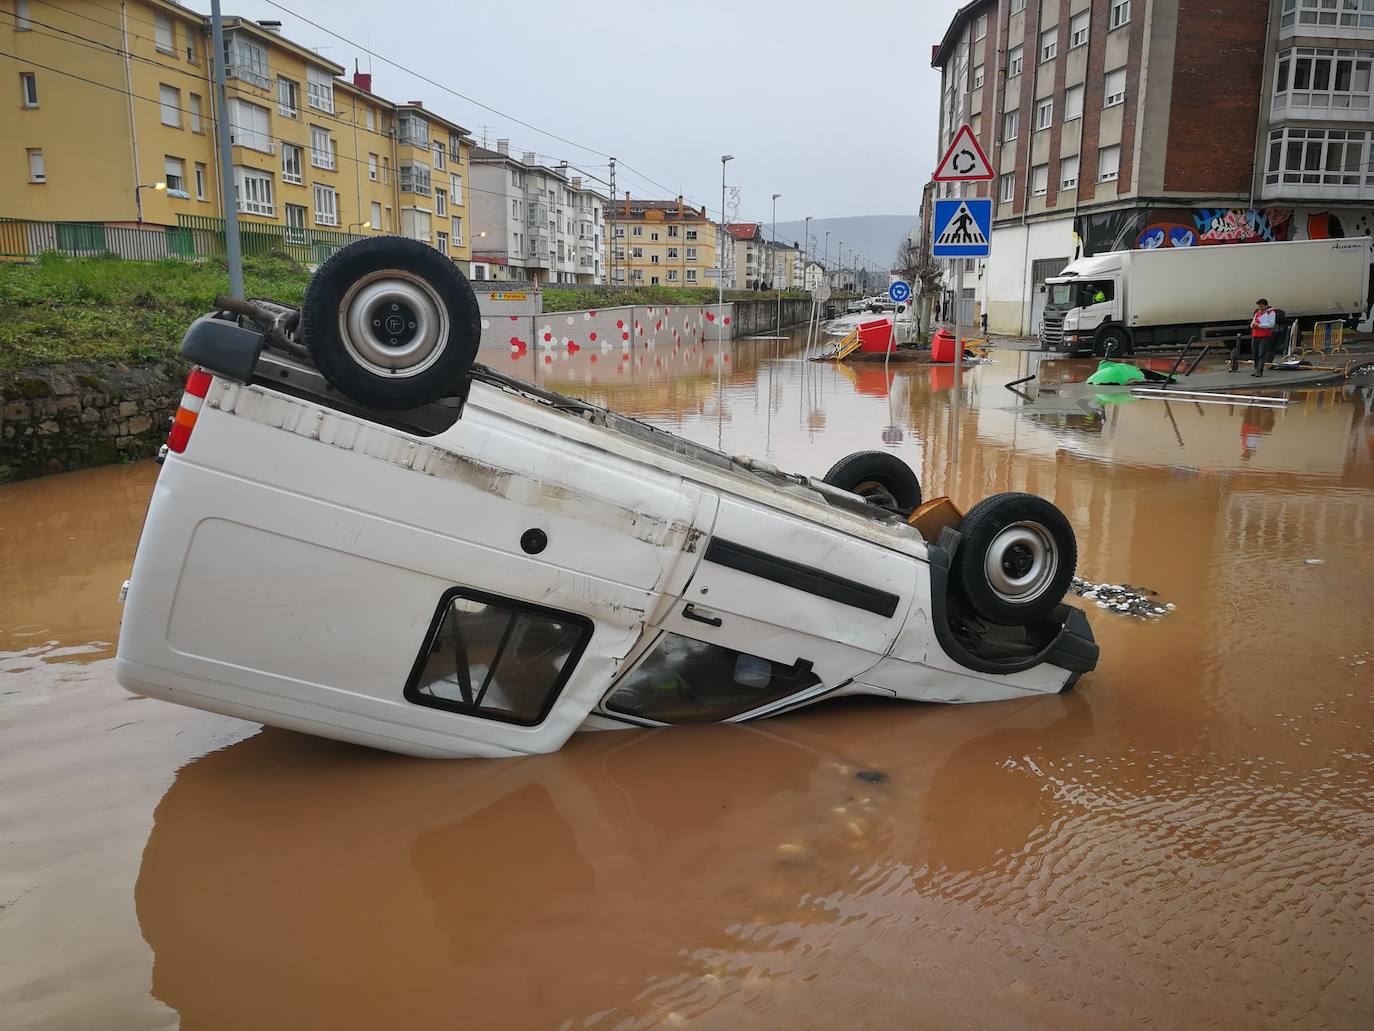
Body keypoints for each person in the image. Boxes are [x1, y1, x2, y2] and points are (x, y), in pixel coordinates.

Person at [1250, 298, 1277, 377]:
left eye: (1261, 307)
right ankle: (1256, 369)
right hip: (1255, 334)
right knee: (1255, 353)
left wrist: (1259, 326)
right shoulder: (1257, 312)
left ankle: (1259, 371)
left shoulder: (1271, 313)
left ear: (1266, 306)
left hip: (1265, 335)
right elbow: (1253, 321)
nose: (1260, 308)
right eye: (1259, 307)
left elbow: (1271, 324)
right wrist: (1252, 325)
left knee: (1261, 353)